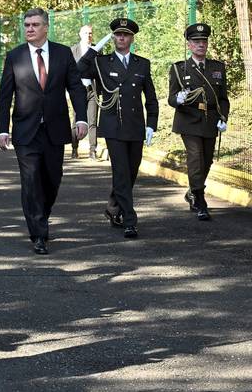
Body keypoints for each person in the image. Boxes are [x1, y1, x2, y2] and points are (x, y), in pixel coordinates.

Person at [0, 8, 88, 255]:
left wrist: (82, 119)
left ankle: (42, 216)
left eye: (35, 24)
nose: (30, 29)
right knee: (30, 180)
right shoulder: (15, 56)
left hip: (55, 129)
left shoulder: (62, 53)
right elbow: (4, 96)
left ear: (46, 27)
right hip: (26, 131)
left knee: (52, 179)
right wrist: (1, 130)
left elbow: (76, 88)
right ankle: (38, 233)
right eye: (26, 25)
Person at [77, 19, 158, 238]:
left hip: (135, 127)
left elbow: (150, 98)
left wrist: (152, 124)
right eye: (117, 35)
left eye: (126, 35)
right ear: (113, 37)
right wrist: (93, 50)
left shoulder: (142, 64)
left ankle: (113, 207)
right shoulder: (102, 62)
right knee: (121, 172)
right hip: (113, 127)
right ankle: (129, 220)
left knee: (130, 173)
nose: (121, 38)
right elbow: (78, 70)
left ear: (132, 38)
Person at [168, 23, 230, 221]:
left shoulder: (217, 67)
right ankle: (200, 200)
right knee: (195, 158)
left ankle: (192, 191)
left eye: (204, 41)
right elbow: (171, 98)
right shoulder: (179, 69)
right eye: (196, 41)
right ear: (189, 45)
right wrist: (177, 99)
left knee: (207, 160)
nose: (201, 44)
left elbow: (223, 98)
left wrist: (223, 117)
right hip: (189, 119)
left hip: (210, 120)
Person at [70, 25, 99, 160]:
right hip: (77, 91)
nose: (88, 35)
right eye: (86, 33)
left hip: (92, 90)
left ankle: (92, 150)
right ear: (80, 34)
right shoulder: (72, 51)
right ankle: (74, 148)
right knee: (77, 119)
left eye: (90, 33)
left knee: (92, 120)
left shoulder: (97, 50)